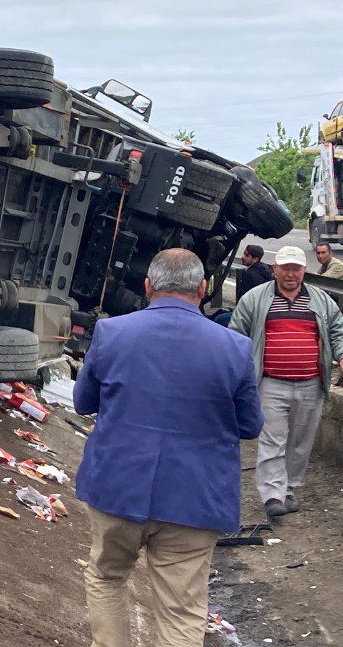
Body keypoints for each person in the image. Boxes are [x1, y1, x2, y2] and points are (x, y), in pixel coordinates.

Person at [75, 249, 262, 647]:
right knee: (182, 608)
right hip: (195, 499)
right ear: (203, 288)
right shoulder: (235, 348)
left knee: (107, 578)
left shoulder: (112, 333)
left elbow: (83, 403)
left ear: (147, 286)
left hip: (117, 489)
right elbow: (250, 425)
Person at [229, 245, 343, 519]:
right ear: (275, 269)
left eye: (296, 268)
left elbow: (338, 330)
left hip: (311, 383)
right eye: (285, 268)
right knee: (272, 439)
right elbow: (236, 334)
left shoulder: (320, 299)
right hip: (271, 383)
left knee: (301, 441)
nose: (291, 274)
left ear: (304, 271)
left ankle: (289, 488)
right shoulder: (255, 299)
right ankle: (272, 495)